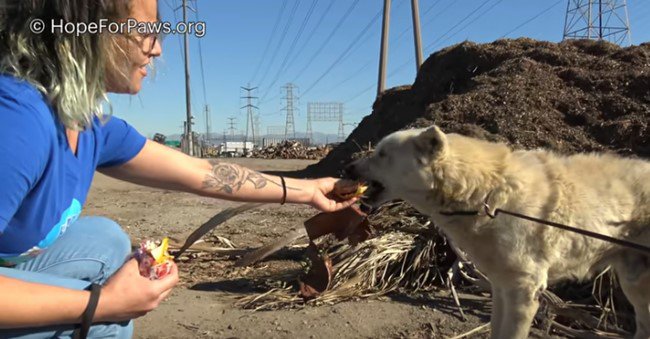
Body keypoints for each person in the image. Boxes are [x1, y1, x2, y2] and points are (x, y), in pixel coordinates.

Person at [0, 0, 358, 337]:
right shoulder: (18, 123)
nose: (156, 49)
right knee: (108, 322)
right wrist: (100, 303)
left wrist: (307, 191)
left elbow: (201, 173)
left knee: (104, 239)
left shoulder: (88, 125)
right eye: (147, 31)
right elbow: (102, 306)